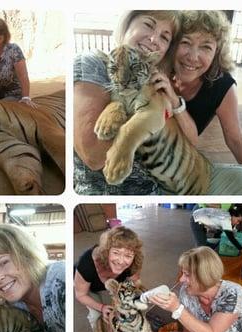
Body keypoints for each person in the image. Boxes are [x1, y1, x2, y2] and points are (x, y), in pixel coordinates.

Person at [74, 10, 181, 195]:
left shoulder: (155, 78)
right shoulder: (92, 63)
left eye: (165, 37)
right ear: (126, 26)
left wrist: (174, 103)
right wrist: (143, 117)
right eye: (148, 25)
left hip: (162, 188)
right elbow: (94, 156)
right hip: (107, 193)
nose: (155, 39)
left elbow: (181, 136)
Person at [152, 10, 242, 194]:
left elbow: (235, 139)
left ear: (217, 52)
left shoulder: (222, 86)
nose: (193, 57)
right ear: (172, 44)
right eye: (185, 42)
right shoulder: (158, 71)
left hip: (183, 164)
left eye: (206, 47)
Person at [74, 225, 143, 332]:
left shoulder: (134, 262)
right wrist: (101, 307)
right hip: (90, 287)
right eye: (116, 252)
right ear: (106, 251)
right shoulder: (86, 264)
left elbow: (135, 282)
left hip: (115, 284)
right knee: (97, 316)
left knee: (123, 310)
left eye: (128, 255)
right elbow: (80, 294)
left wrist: (133, 298)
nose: (121, 261)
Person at [0, 17, 36, 107]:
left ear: (5, 34)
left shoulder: (13, 50)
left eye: (0, 31)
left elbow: (23, 75)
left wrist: (26, 97)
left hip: (12, 96)